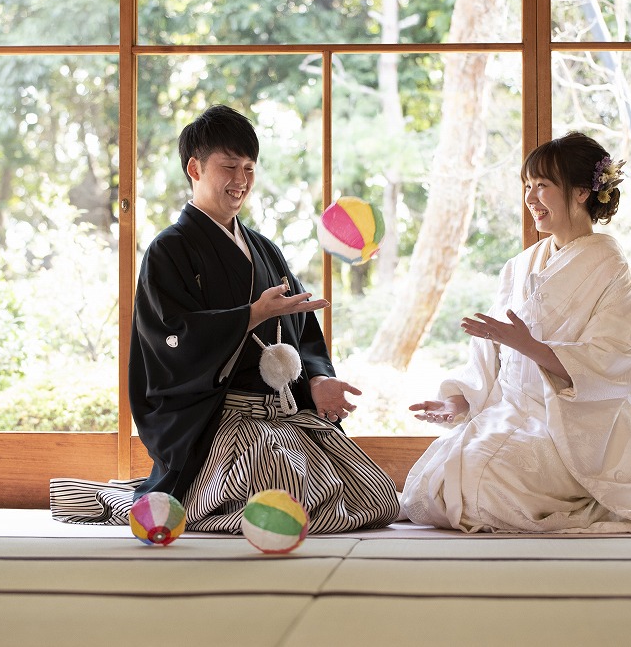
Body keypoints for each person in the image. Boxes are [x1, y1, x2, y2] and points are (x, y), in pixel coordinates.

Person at [51, 105, 399, 532]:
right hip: (220, 423)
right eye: (229, 166)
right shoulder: (169, 250)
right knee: (286, 494)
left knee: (377, 497)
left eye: (249, 168)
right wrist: (251, 315)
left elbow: (303, 332)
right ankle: (186, 497)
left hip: (284, 417)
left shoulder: (265, 250)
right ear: (195, 168)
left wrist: (317, 379)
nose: (241, 180)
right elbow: (171, 340)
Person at [401, 132, 631, 533]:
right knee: (431, 486)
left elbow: (614, 356)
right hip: (507, 411)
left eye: (542, 186)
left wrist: (531, 347)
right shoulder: (519, 265)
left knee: (482, 487)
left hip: (570, 425)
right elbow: (489, 351)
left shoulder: (610, 266)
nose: (531, 198)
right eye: (527, 186)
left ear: (582, 192)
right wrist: (460, 400)